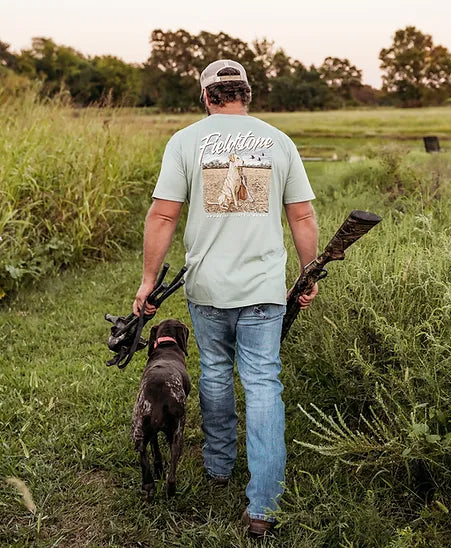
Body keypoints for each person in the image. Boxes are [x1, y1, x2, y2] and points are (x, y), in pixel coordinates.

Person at [133, 59, 318, 538]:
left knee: (215, 369)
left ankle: (218, 466)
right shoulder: (279, 140)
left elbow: (162, 217)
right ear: (247, 95)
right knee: (262, 383)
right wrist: (307, 271)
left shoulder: (186, 141)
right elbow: (302, 217)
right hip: (263, 288)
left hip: (208, 287)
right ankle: (264, 506)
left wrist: (148, 280)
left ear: (206, 97)